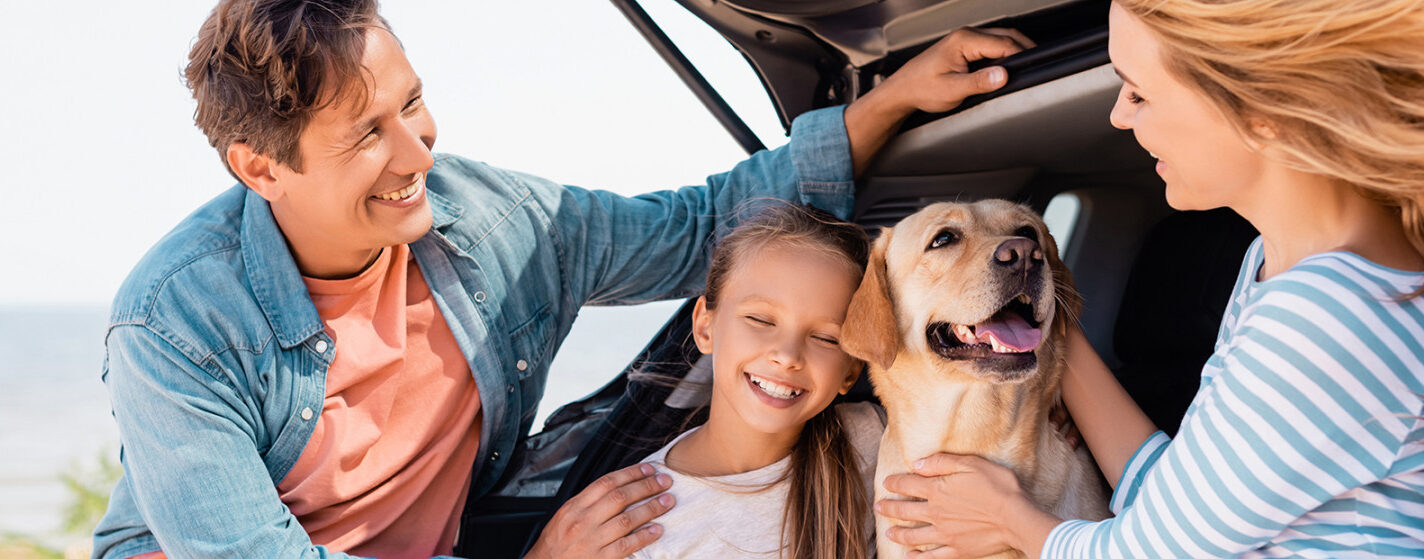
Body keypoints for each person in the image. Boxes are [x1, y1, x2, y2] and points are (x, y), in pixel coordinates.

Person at [89, 0, 1034, 557]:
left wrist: (892, 103)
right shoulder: (176, 325)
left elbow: (699, 227)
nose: (416, 149)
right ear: (261, 168)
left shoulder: (495, 221)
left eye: (412, 102)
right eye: (366, 135)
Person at [874, 0, 1424, 557]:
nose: (1118, 115)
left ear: (1260, 108)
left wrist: (1008, 519)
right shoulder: (1278, 263)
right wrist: (1033, 331)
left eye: (1138, 92)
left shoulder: (1327, 313)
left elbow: (1150, 551)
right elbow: (1175, 504)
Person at [627, 204, 880, 559]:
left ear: (851, 371)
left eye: (826, 338)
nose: (788, 355)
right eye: (761, 320)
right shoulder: (642, 521)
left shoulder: (878, 440)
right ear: (704, 327)